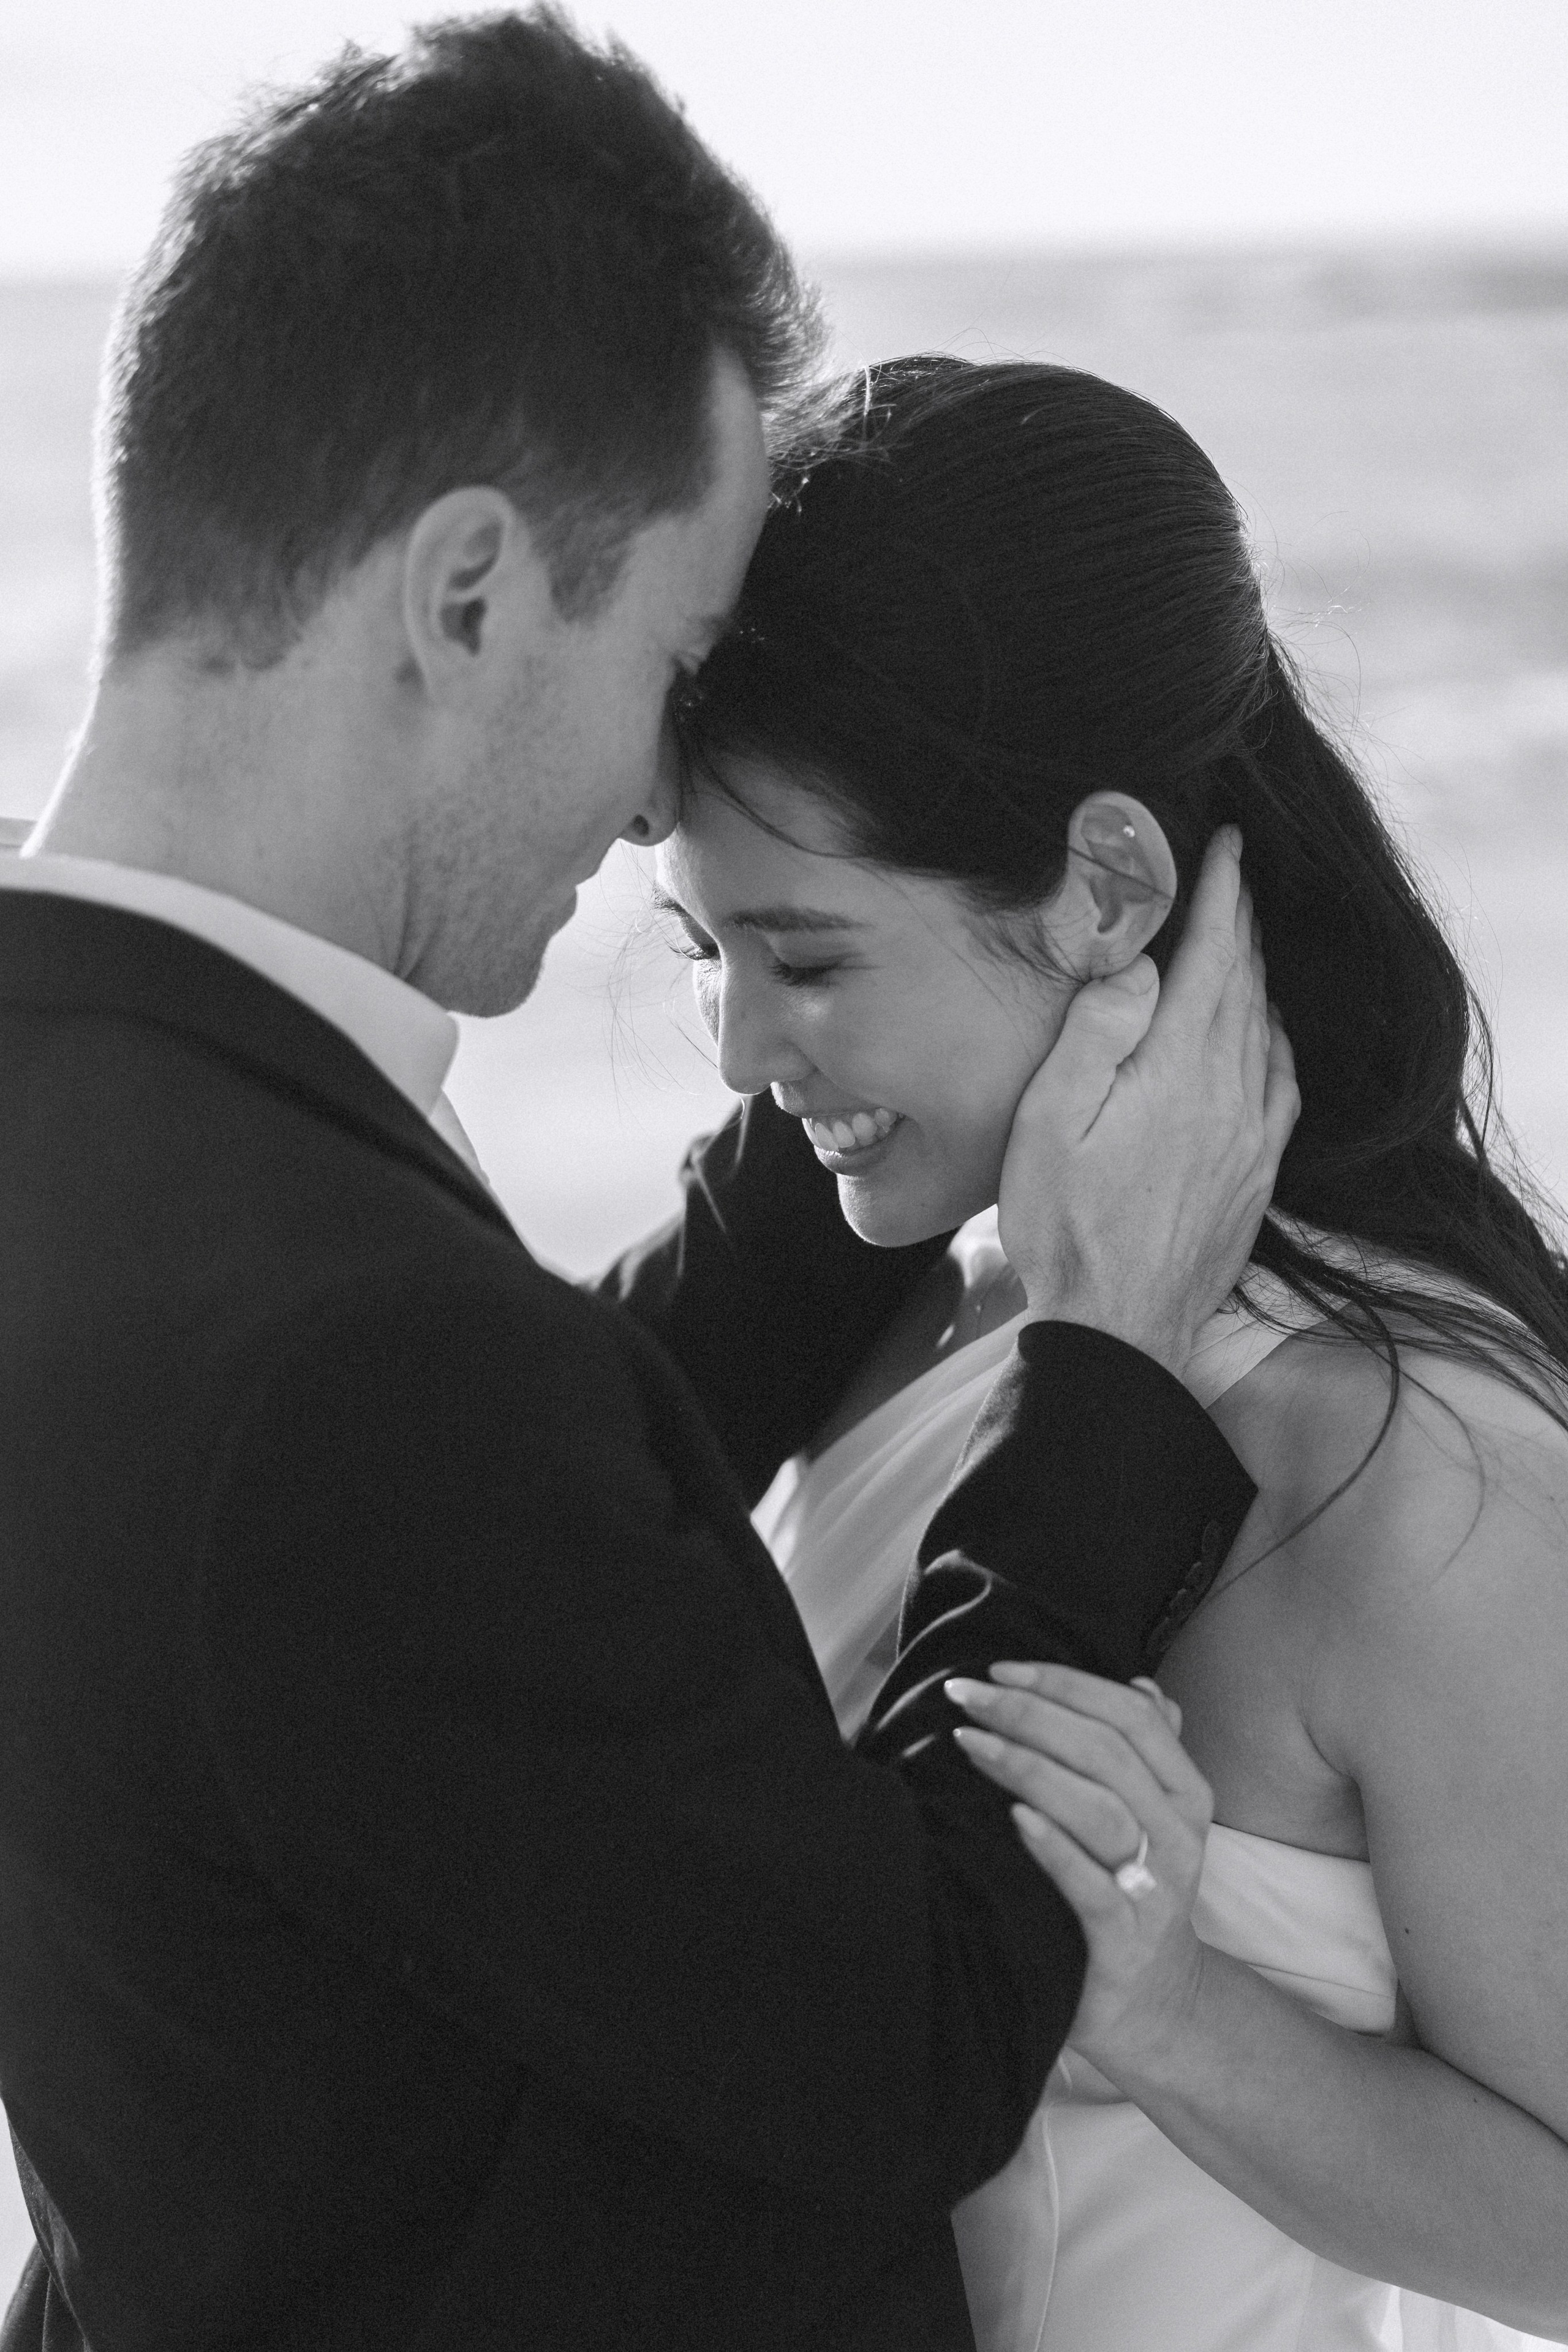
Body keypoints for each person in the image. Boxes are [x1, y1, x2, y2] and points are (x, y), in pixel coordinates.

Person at [0, 21, 1296, 2352]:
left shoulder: (97, 1123)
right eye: (676, 661)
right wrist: (1099, 1374)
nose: (642, 807)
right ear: (473, 595)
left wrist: (861, 1113)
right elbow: (907, 2042)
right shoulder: (339, 1346)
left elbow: (446, 1616)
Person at [663, 353, 1568, 2350]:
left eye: (805, 959)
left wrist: (1165, 2008)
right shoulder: (906, 1290)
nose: (738, 1056)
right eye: (701, 953)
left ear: (1108, 886)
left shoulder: (1416, 1474)